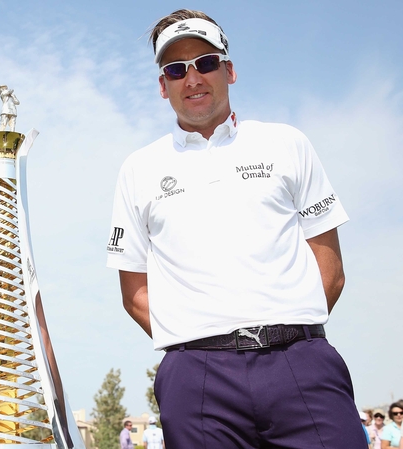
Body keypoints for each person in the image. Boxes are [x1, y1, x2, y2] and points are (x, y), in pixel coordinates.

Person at [106, 9, 363, 448]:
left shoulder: (286, 143)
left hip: (301, 363)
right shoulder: (138, 169)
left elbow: (330, 267)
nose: (193, 79)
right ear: (162, 86)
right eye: (176, 69)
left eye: (205, 63)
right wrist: (198, 342)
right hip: (197, 378)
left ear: (229, 70)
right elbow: (134, 292)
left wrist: (291, 335)